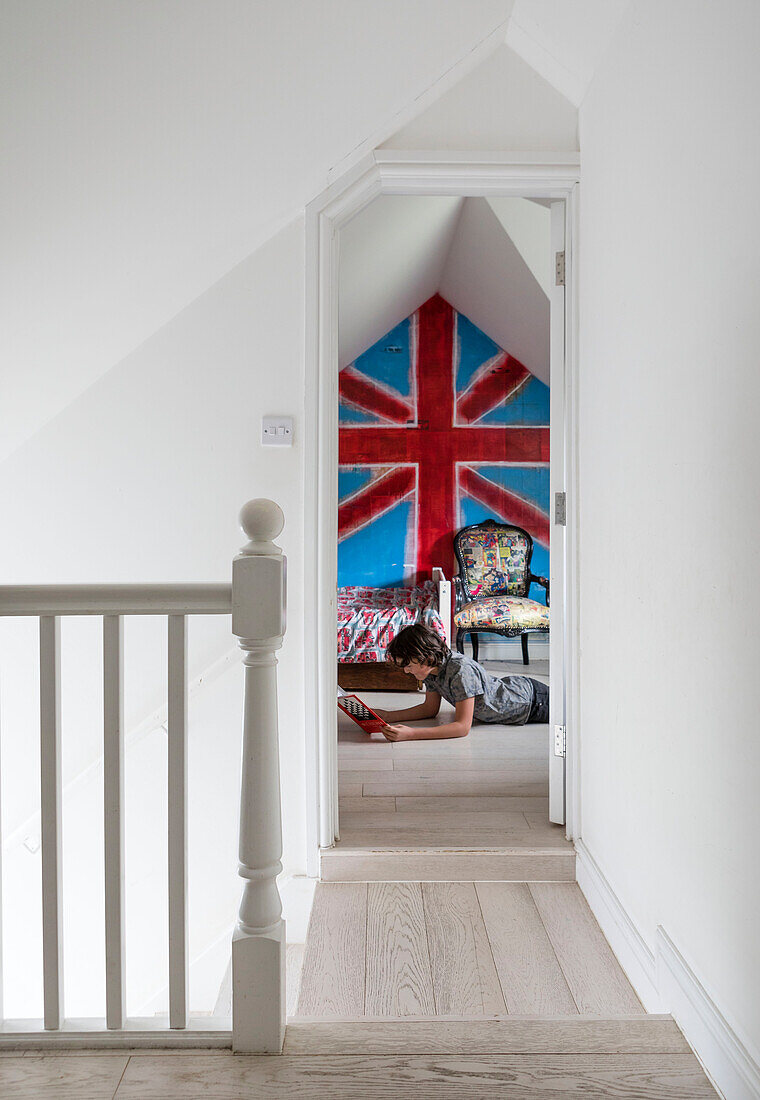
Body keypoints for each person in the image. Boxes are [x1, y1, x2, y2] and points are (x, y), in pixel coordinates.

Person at [374, 622, 549, 742]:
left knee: (573, 713)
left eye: (408, 665)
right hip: (516, 692)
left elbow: (462, 727)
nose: (406, 671)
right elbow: (429, 709)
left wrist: (411, 734)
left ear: (425, 657)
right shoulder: (430, 671)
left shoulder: (460, 670)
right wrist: (388, 716)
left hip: (531, 702)